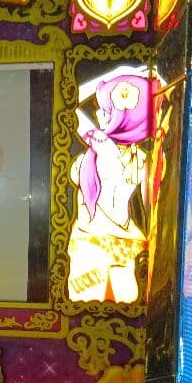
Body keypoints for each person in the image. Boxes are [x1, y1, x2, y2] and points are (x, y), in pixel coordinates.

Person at [67, 68, 154, 303]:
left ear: (124, 117)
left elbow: (68, 104)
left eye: (106, 110)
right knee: (121, 320)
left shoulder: (105, 148)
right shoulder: (143, 159)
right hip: (128, 245)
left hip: (92, 245)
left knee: (86, 320)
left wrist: (119, 71)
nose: (97, 113)